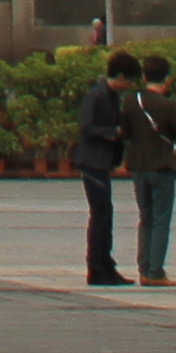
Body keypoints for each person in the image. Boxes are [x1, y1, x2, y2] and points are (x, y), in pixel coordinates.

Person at [123, 51, 176, 286]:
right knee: (161, 219)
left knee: (146, 217)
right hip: (161, 166)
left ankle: (143, 268)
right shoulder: (167, 104)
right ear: (167, 78)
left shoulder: (131, 100)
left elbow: (126, 132)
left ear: (145, 75)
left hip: (138, 166)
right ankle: (155, 272)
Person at [71, 52, 132, 285]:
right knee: (101, 213)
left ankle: (105, 263)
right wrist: (112, 133)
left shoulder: (113, 95)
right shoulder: (96, 95)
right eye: (129, 80)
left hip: (104, 161)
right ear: (121, 76)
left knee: (106, 213)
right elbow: (86, 127)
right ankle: (96, 265)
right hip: (92, 161)